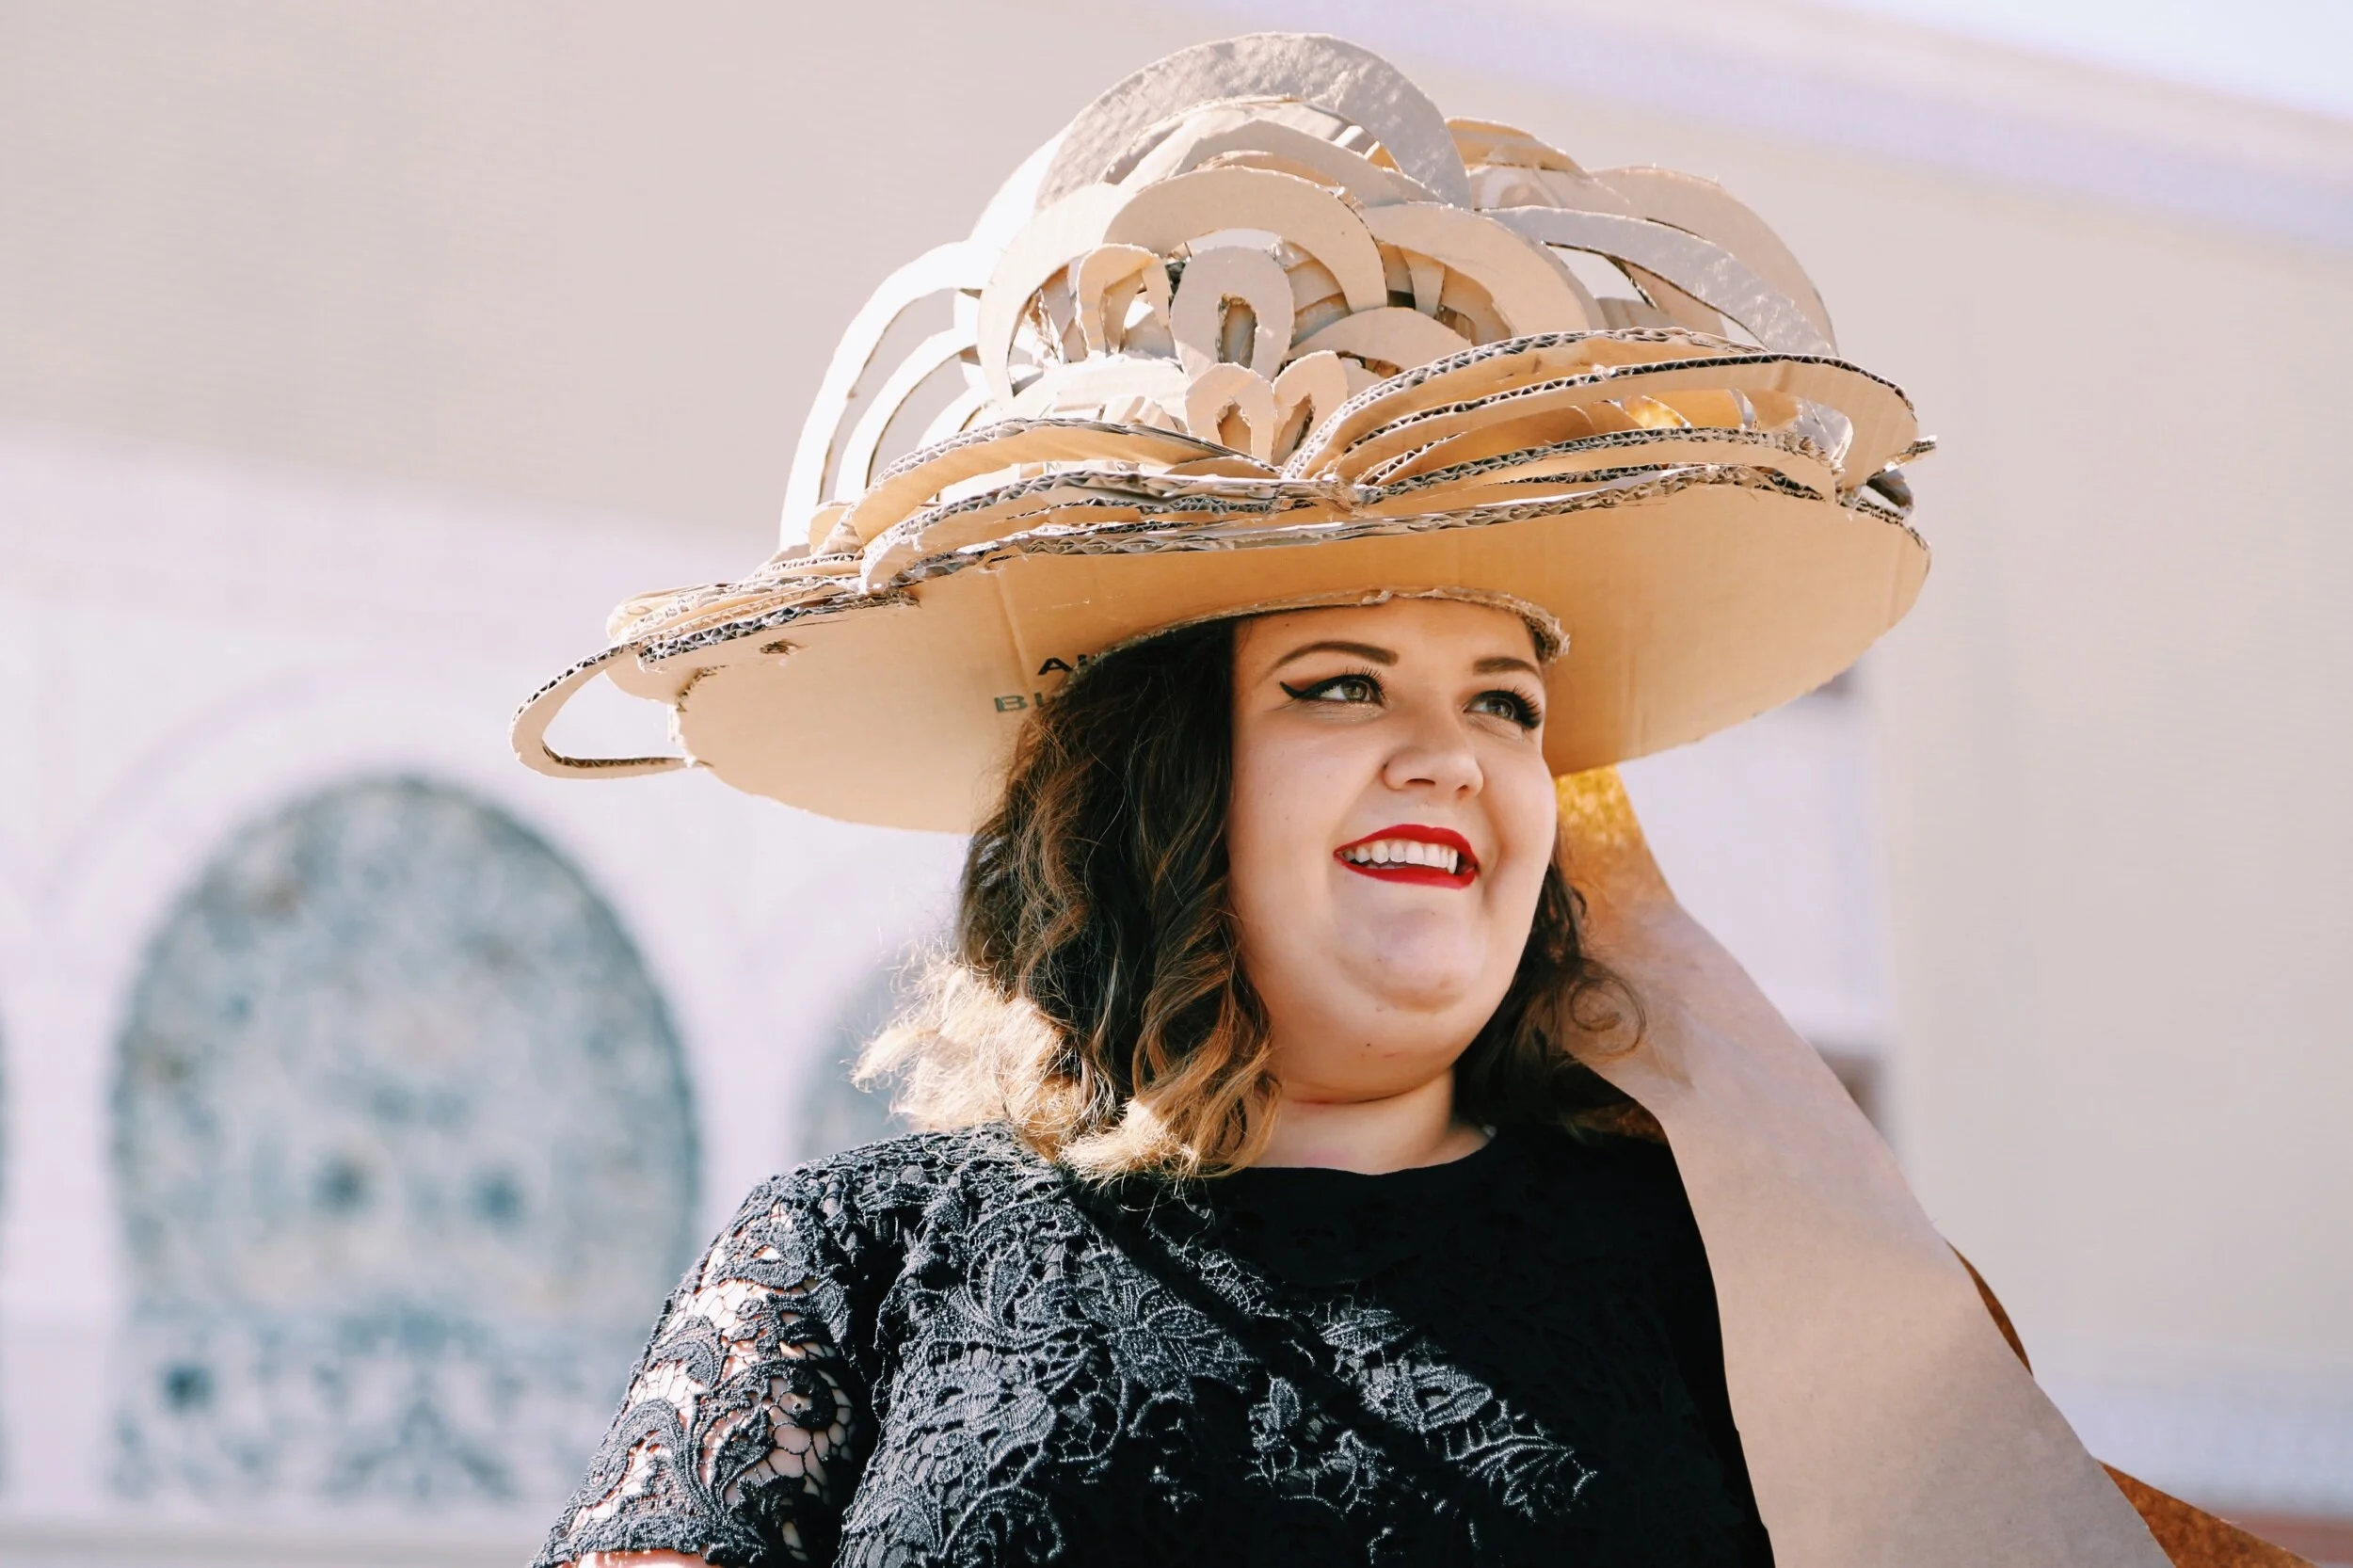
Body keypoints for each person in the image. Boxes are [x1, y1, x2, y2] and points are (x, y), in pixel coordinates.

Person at [511, 32, 2307, 1568]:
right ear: (1156, 781)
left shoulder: (1750, 1282)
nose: (1454, 750)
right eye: (1343, 682)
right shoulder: (852, 1258)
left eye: (1507, 701)